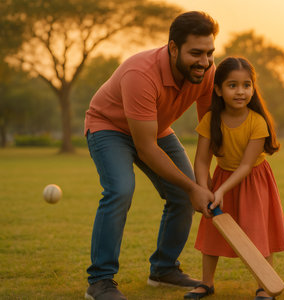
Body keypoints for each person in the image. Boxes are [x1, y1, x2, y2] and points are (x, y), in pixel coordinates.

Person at [83, 11, 219, 300]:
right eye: (196, 53)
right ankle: (100, 280)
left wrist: (204, 182)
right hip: (109, 128)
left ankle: (164, 269)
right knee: (120, 189)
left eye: (209, 53)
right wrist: (193, 186)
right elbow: (146, 148)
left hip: (155, 128)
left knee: (183, 195)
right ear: (173, 48)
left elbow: (208, 133)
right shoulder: (140, 74)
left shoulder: (207, 73)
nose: (204, 62)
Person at [184, 57, 284, 300]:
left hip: (253, 180)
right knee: (212, 231)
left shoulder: (257, 122)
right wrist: (205, 187)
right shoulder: (211, 120)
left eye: (246, 85)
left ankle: (265, 286)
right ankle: (206, 283)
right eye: (232, 85)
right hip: (222, 179)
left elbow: (245, 167)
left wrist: (220, 190)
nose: (240, 91)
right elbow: (201, 161)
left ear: (253, 88)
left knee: (258, 232)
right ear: (219, 90)